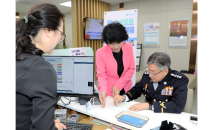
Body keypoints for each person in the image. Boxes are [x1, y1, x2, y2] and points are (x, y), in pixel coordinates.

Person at [15, 3, 67, 130]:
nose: (60, 37)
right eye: (61, 33)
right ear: (48, 31)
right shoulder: (41, 69)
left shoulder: (20, 57)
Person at [114, 52, 189, 113]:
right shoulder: (147, 75)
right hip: (148, 114)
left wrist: (149, 105)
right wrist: (124, 97)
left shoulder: (179, 80)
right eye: (148, 70)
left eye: (153, 72)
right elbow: (137, 90)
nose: (149, 75)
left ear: (165, 71)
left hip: (166, 116)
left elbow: (178, 106)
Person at [96, 22, 136, 108]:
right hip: (109, 92)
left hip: (126, 89)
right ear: (107, 41)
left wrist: (119, 84)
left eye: (118, 42)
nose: (116, 46)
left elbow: (131, 68)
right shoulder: (100, 53)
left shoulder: (128, 47)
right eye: (112, 43)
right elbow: (101, 75)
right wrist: (103, 90)